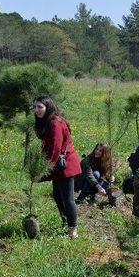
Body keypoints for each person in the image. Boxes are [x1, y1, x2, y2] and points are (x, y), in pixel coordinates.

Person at [33, 96, 82, 239]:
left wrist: (42, 171)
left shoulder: (55, 123)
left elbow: (54, 149)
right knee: (57, 196)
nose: (36, 110)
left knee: (68, 198)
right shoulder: (49, 121)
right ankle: (66, 222)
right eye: (35, 107)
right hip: (58, 165)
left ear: (48, 107)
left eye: (40, 107)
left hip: (65, 165)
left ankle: (73, 230)